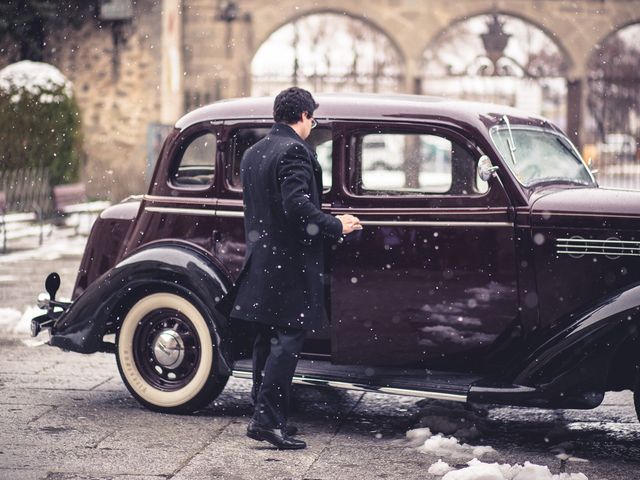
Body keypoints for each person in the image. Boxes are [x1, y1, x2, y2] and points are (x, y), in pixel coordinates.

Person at [227, 87, 361, 450]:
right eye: (312, 118)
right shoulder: (294, 152)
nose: (312, 124)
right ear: (302, 115)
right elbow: (297, 208)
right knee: (286, 344)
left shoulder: (255, 152)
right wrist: (338, 226)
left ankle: (266, 416)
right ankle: (268, 422)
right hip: (289, 265)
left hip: (263, 261)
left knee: (264, 341)